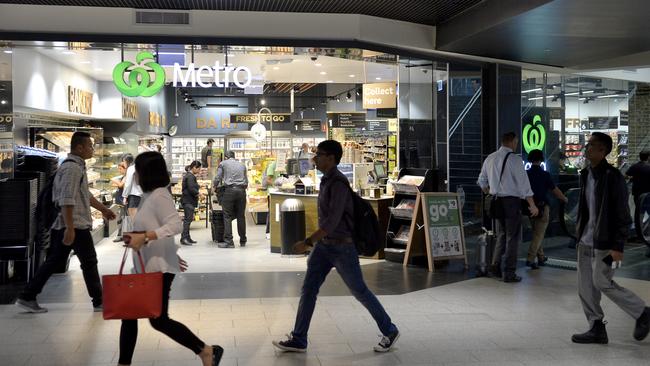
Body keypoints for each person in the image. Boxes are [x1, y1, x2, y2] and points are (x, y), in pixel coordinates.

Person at [272, 140, 400, 354]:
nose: (315, 158)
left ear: (331, 158)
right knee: (309, 289)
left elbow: (331, 222)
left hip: (342, 248)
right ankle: (299, 338)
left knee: (360, 291)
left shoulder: (339, 183)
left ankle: (390, 330)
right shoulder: (326, 181)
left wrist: (307, 242)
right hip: (324, 247)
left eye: (319, 154)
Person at [118, 152, 223, 366]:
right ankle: (123, 363)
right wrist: (146, 241)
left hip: (156, 270)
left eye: (137, 170)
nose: (135, 174)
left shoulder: (159, 196)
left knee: (158, 320)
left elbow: (174, 225)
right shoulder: (150, 195)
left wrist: (145, 237)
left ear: (146, 172)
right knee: (132, 315)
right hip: (147, 266)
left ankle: (206, 350)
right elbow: (157, 228)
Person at [15, 132, 117, 313]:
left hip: (70, 225)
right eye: (90, 146)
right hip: (73, 225)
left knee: (56, 261)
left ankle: (27, 295)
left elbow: (85, 194)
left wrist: (103, 209)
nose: (92, 149)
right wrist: (70, 228)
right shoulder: (72, 169)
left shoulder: (77, 167)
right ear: (79, 148)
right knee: (89, 261)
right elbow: (66, 199)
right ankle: (99, 301)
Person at [571, 132, 649, 344]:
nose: (586, 148)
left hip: (606, 244)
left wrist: (618, 246)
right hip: (585, 241)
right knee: (585, 287)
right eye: (587, 145)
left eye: (591, 145)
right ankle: (596, 326)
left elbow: (622, 215)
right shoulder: (585, 173)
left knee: (602, 281)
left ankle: (642, 312)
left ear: (602, 151)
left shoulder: (613, 177)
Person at [477, 132, 539, 283]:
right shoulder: (515, 160)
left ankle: (495, 266)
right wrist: (532, 205)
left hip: (496, 202)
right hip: (511, 202)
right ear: (513, 141)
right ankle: (509, 272)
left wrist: (490, 193)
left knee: (502, 235)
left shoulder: (490, 158)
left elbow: (481, 181)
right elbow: (524, 185)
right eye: (516, 142)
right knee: (512, 237)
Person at [525, 149, 568, 269]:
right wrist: (564, 198)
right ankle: (530, 258)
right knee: (539, 234)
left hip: (529, 206)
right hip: (542, 207)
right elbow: (555, 190)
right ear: (541, 159)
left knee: (536, 233)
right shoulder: (544, 174)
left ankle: (541, 257)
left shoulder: (526, 174)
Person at [212, 151, 247, 248]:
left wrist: (214, 187)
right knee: (241, 216)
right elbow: (246, 181)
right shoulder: (242, 165)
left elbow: (218, 177)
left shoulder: (223, 164)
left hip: (229, 191)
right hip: (241, 191)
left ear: (226, 157)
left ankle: (229, 241)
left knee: (227, 215)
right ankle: (243, 240)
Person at [625, 150, 650, 249]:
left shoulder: (635, 166)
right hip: (648, 195)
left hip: (638, 194)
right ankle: (644, 234)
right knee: (648, 213)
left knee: (639, 213)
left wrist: (634, 178)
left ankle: (640, 234)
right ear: (648, 157)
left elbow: (626, 175)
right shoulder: (648, 168)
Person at [181, 160, 202, 246]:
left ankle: (187, 237)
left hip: (188, 200)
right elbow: (191, 188)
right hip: (188, 200)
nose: (199, 171)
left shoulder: (189, 175)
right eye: (199, 169)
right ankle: (184, 238)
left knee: (188, 219)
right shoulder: (190, 176)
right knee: (187, 220)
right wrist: (198, 194)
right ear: (194, 167)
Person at [112, 159, 128, 243]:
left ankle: (120, 235)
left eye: (120, 169)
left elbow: (121, 185)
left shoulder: (126, 176)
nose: (119, 170)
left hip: (123, 201)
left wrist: (115, 181)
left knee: (122, 218)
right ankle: (121, 234)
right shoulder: (123, 177)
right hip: (120, 201)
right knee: (121, 218)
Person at [122, 153, 142, 218]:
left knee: (134, 219)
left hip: (134, 196)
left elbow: (128, 184)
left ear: (126, 161)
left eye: (123, 161)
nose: (123, 163)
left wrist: (125, 196)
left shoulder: (131, 168)